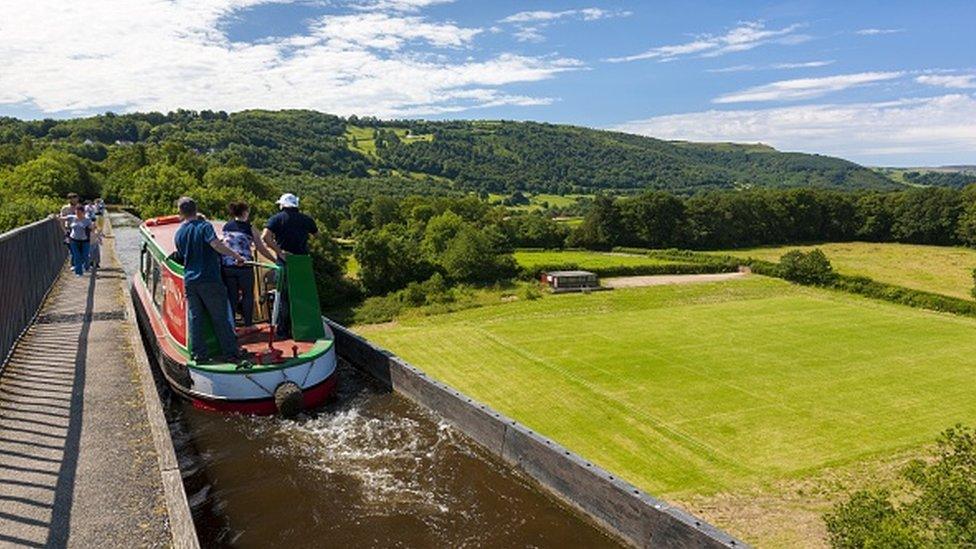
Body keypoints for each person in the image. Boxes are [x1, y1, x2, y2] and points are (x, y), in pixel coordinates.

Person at [173, 197, 248, 364]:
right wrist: (236, 256)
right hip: (209, 279)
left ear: (181, 212)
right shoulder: (205, 226)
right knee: (220, 317)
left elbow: (180, 256)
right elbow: (215, 244)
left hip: (190, 281)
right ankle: (231, 353)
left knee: (195, 318)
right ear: (196, 208)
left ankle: (199, 355)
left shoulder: (179, 233)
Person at [262, 193, 318, 338]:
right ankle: (304, 330)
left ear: (282, 205)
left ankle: (282, 331)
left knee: (284, 297)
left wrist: (279, 252)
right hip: (302, 261)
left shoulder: (277, 219)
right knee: (303, 296)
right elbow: (317, 235)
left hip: (285, 260)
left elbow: (265, 237)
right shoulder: (307, 219)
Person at [221, 201, 275, 327]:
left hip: (228, 266)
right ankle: (248, 323)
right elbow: (261, 248)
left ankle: (232, 324)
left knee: (232, 296)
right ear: (245, 212)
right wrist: (274, 259)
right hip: (245, 265)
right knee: (247, 295)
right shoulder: (250, 228)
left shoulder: (226, 226)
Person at [59, 204, 96, 276]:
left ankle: (86, 265)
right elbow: (62, 218)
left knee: (85, 255)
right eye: (76, 213)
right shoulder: (72, 217)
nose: (77, 215)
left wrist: (93, 227)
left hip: (85, 240)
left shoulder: (87, 220)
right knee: (77, 256)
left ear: (83, 212)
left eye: (79, 213)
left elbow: (92, 228)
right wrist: (55, 217)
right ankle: (78, 272)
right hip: (74, 240)